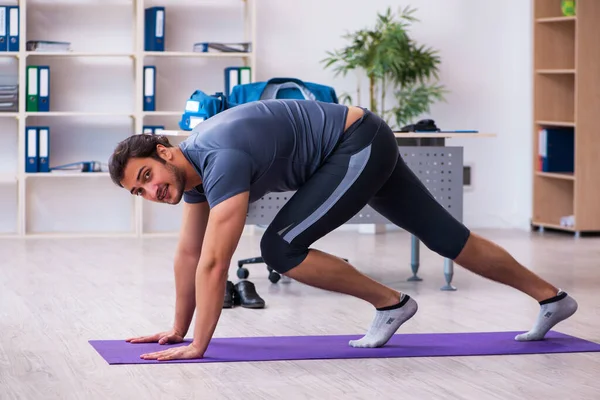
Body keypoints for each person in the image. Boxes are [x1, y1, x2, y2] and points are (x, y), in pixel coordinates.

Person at [108, 99, 578, 361]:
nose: (151, 193)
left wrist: (198, 347)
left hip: (356, 143)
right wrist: (177, 328)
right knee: (445, 236)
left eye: (147, 177)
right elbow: (189, 256)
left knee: (282, 247)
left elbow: (215, 262)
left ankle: (391, 304)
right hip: (358, 141)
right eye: (138, 192)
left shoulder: (219, 159)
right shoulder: (192, 180)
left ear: (165, 153)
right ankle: (553, 299)